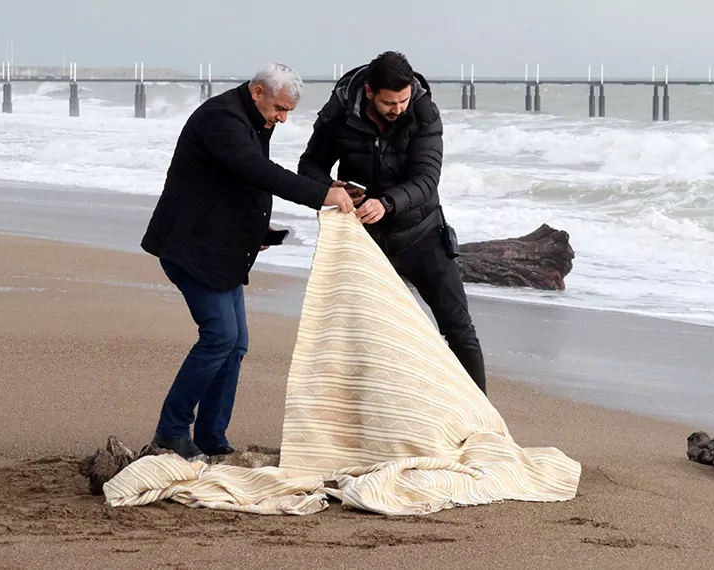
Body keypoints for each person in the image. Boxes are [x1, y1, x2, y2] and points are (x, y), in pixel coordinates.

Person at [140, 62, 355, 460]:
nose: (283, 118)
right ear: (258, 91)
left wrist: (260, 232)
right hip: (191, 246)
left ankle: (210, 437)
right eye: (280, 108)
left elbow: (236, 185)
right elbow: (257, 171)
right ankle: (171, 431)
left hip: (221, 246)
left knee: (235, 344)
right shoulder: (221, 118)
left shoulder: (255, 119)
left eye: (288, 111)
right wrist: (321, 194)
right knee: (220, 336)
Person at [297, 51, 488, 395]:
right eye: (389, 102)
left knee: (458, 328)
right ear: (369, 92)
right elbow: (309, 165)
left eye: (403, 100)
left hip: (422, 234)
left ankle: (483, 420)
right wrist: (329, 187)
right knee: (364, 335)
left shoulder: (423, 111)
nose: (398, 108)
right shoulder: (339, 111)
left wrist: (387, 203)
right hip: (363, 240)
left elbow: (427, 180)